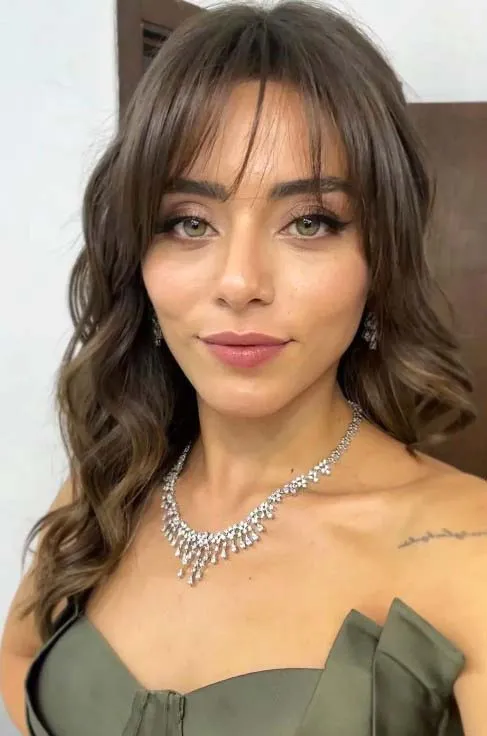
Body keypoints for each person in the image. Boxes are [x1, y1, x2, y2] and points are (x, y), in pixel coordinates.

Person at [1, 0, 486, 733]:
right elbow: (19, 657)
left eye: (309, 222)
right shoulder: (104, 489)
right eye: (188, 222)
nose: (239, 282)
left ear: (378, 258)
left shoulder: (467, 550)